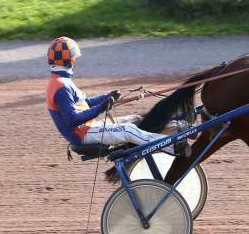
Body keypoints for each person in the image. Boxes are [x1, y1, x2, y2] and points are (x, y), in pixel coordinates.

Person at [45, 36, 188, 156]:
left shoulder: (60, 81)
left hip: (89, 128)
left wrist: (108, 96)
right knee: (128, 130)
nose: (76, 60)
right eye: (74, 57)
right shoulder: (61, 86)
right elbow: (72, 120)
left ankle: (179, 128)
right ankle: (171, 146)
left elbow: (85, 102)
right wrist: (101, 107)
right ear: (69, 60)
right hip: (84, 135)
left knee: (135, 119)